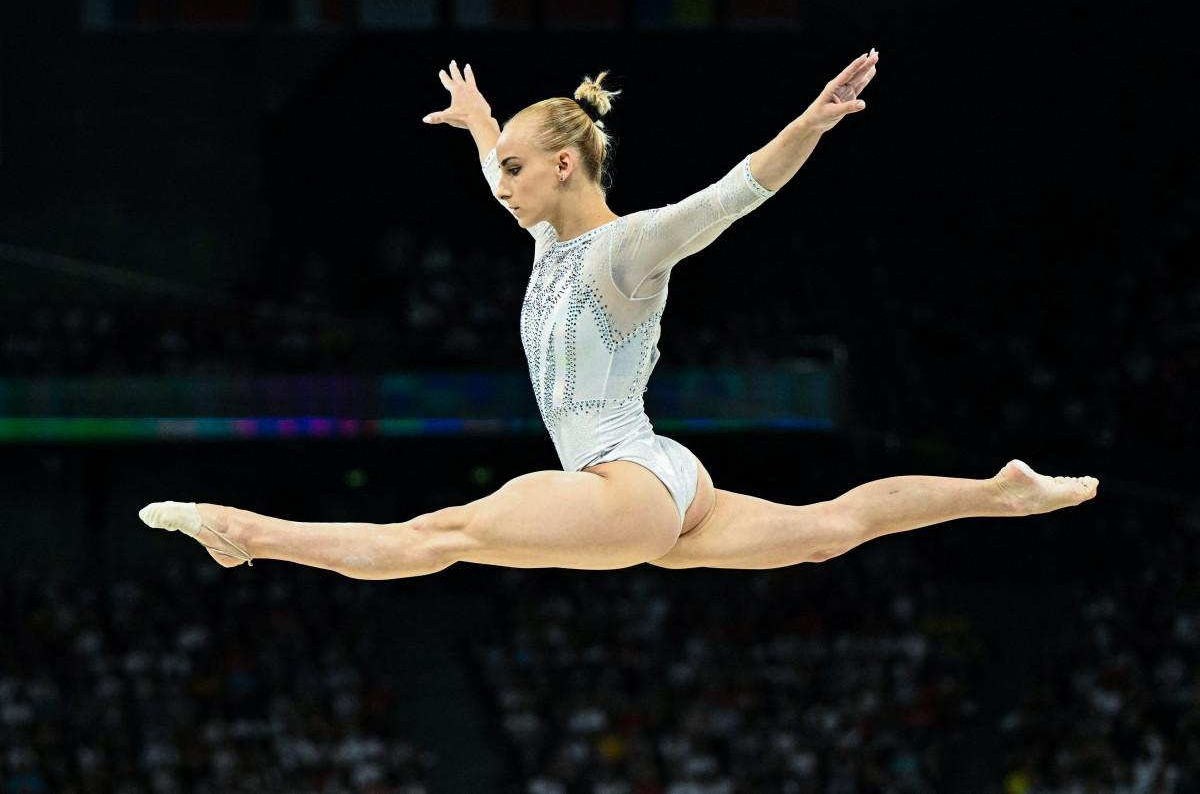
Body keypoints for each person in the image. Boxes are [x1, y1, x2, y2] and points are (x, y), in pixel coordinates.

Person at [139, 50, 1099, 577]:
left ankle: (242, 528)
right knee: (826, 528)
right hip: (659, 473)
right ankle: (998, 492)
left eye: (518, 166)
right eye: (501, 169)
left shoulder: (625, 248)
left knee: (443, 536)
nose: (500, 184)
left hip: (624, 480)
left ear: (566, 164)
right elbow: (495, 173)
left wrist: (808, 122)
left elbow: (729, 196)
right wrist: (481, 125)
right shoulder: (550, 242)